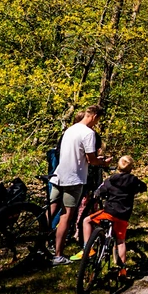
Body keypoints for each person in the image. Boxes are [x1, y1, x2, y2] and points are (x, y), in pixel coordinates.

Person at [49, 105, 112, 265]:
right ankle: (58, 255)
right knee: (66, 215)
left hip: (58, 175)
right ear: (94, 116)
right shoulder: (88, 133)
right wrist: (103, 162)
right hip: (73, 178)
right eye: (98, 119)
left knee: (51, 210)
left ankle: (41, 244)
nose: (97, 123)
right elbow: (91, 160)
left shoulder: (70, 130)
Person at [73, 155, 148, 277]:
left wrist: (98, 195)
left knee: (87, 220)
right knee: (121, 241)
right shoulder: (134, 181)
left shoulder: (111, 180)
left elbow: (99, 191)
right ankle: (122, 270)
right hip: (123, 216)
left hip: (109, 213)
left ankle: (87, 248)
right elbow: (143, 187)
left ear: (118, 167)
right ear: (131, 168)